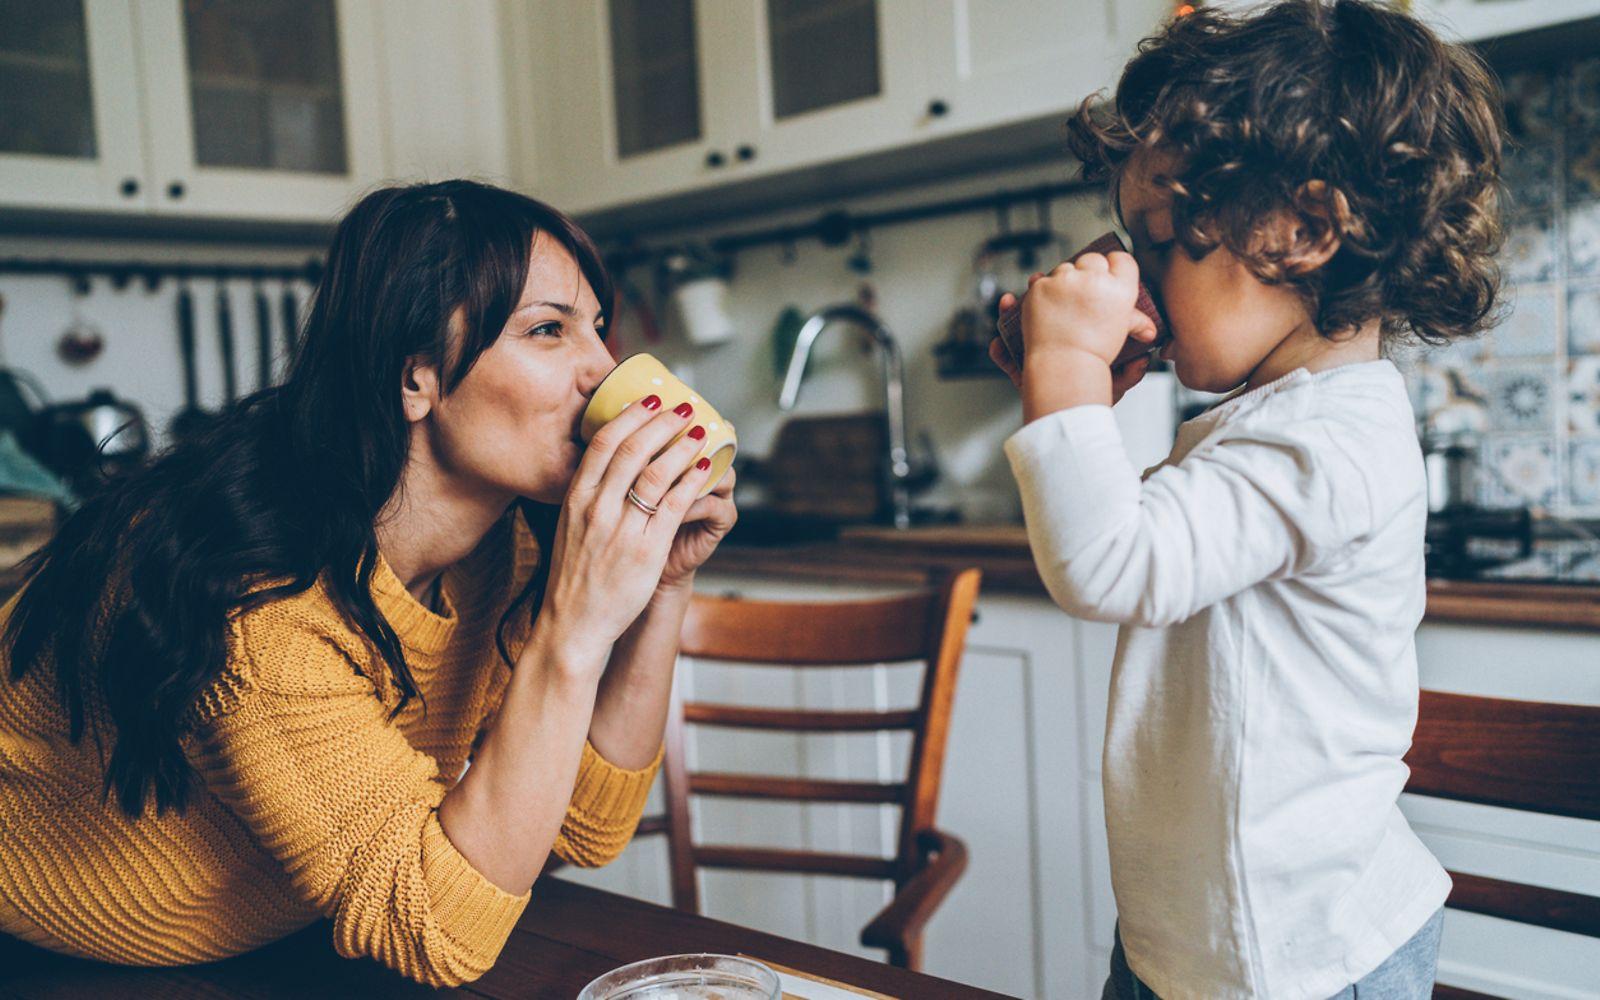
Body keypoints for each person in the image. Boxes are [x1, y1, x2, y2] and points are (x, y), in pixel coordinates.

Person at [0, 180, 736, 987]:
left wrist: (665, 584)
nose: (604, 369)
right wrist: (577, 628)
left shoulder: (501, 553)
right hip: (59, 950)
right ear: (416, 375)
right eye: (548, 330)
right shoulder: (257, 603)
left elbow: (585, 826)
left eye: (598, 328)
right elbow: (438, 932)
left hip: (278, 933)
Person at [989, 2, 1502, 996]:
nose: (1136, 279)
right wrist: (1072, 398)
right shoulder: (1276, 422)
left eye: (1159, 242)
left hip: (1292, 959)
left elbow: (1110, 563)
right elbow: (1158, 546)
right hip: (1193, 937)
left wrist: (1062, 364)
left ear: (1304, 229)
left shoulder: (1332, 440)